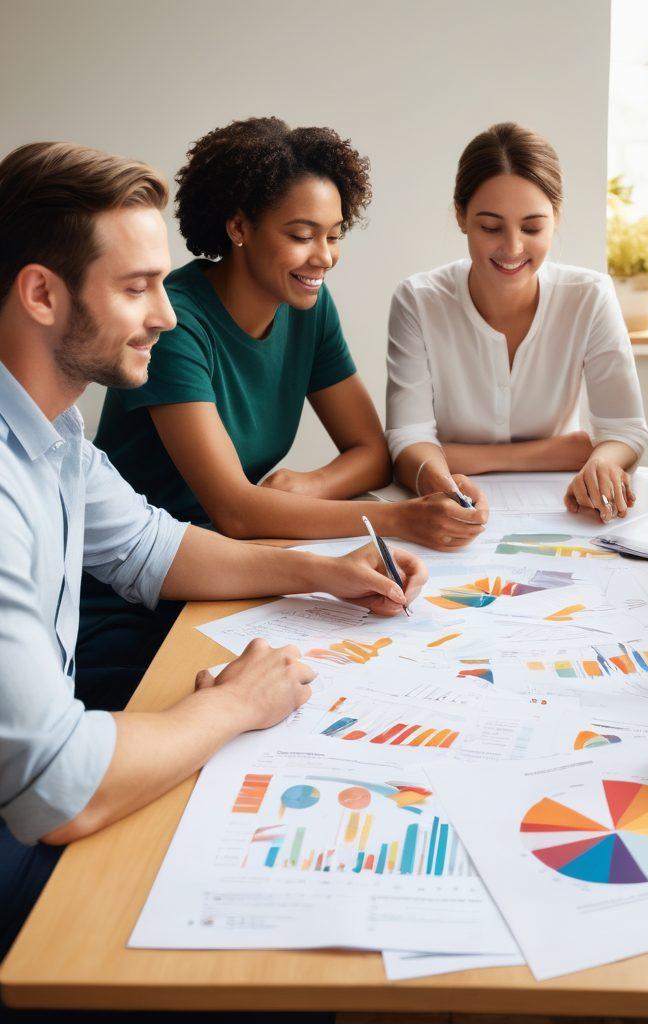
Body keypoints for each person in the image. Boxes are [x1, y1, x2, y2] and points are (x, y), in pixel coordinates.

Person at [0, 141, 426, 981]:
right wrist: (233, 707)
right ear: (42, 294)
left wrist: (326, 570)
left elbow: (156, 547)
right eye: (137, 288)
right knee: (281, 962)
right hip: (15, 851)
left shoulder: (55, 437)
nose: (165, 314)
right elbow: (57, 784)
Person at [76, 118, 479, 711]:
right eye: (302, 234)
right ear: (238, 226)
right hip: (143, 593)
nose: (324, 257)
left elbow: (370, 451)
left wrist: (312, 485)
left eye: (335, 235)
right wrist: (400, 521)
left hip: (239, 569)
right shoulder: (177, 323)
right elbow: (236, 510)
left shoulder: (307, 304)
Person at [385, 121, 648, 524]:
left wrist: (601, 462)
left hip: (563, 516)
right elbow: (407, 440)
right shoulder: (419, 300)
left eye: (532, 227)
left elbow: (625, 429)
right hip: (458, 509)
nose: (512, 248)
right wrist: (555, 451)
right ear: (461, 216)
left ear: (556, 216)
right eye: (490, 227)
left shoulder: (589, 295)